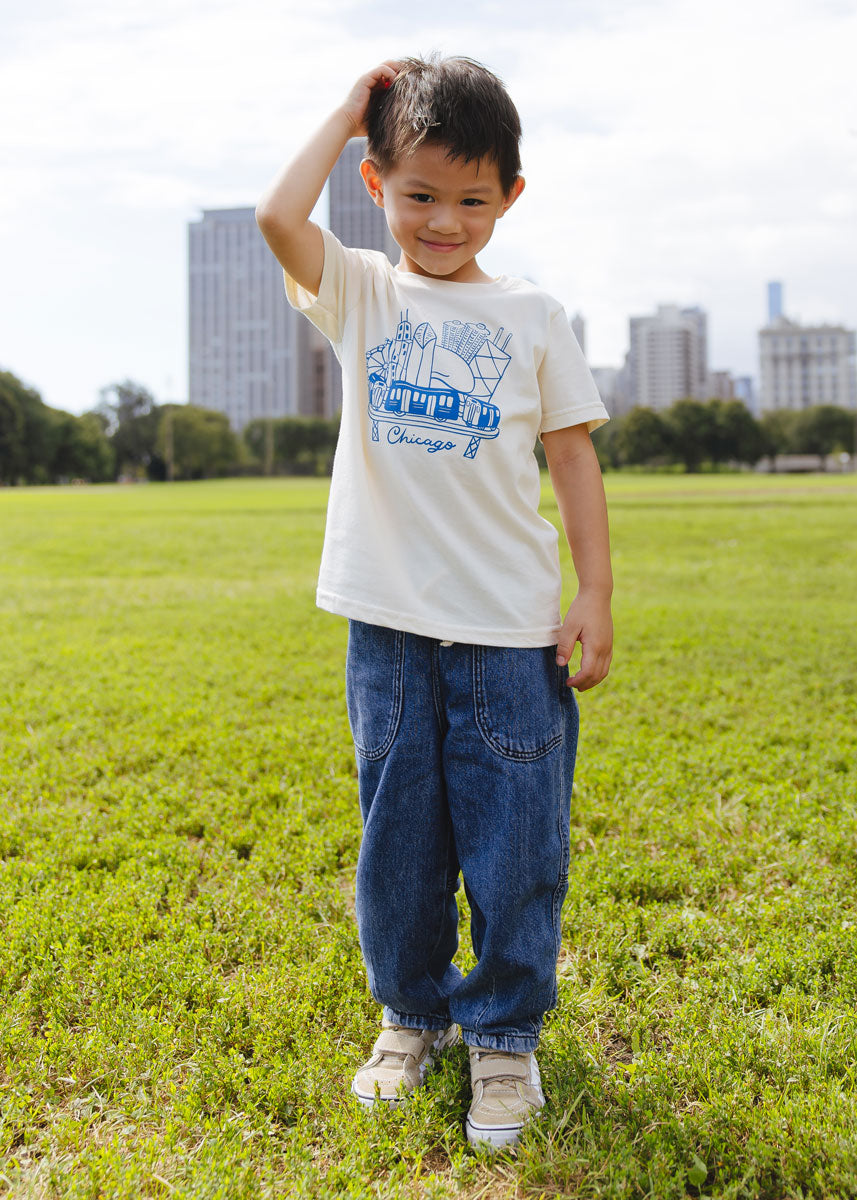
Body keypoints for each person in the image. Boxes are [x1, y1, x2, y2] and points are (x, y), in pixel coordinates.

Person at [256, 54, 613, 1151]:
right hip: (389, 635)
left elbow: (572, 463)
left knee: (515, 853)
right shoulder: (362, 291)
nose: (442, 222)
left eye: (470, 199)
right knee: (398, 844)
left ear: (510, 196)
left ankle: (502, 1036)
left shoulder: (536, 315)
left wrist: (593, 591)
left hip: (510, 638)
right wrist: (349, 108)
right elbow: (277, 213)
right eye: (417, 195)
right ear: (374, 184)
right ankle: (411, 1016)